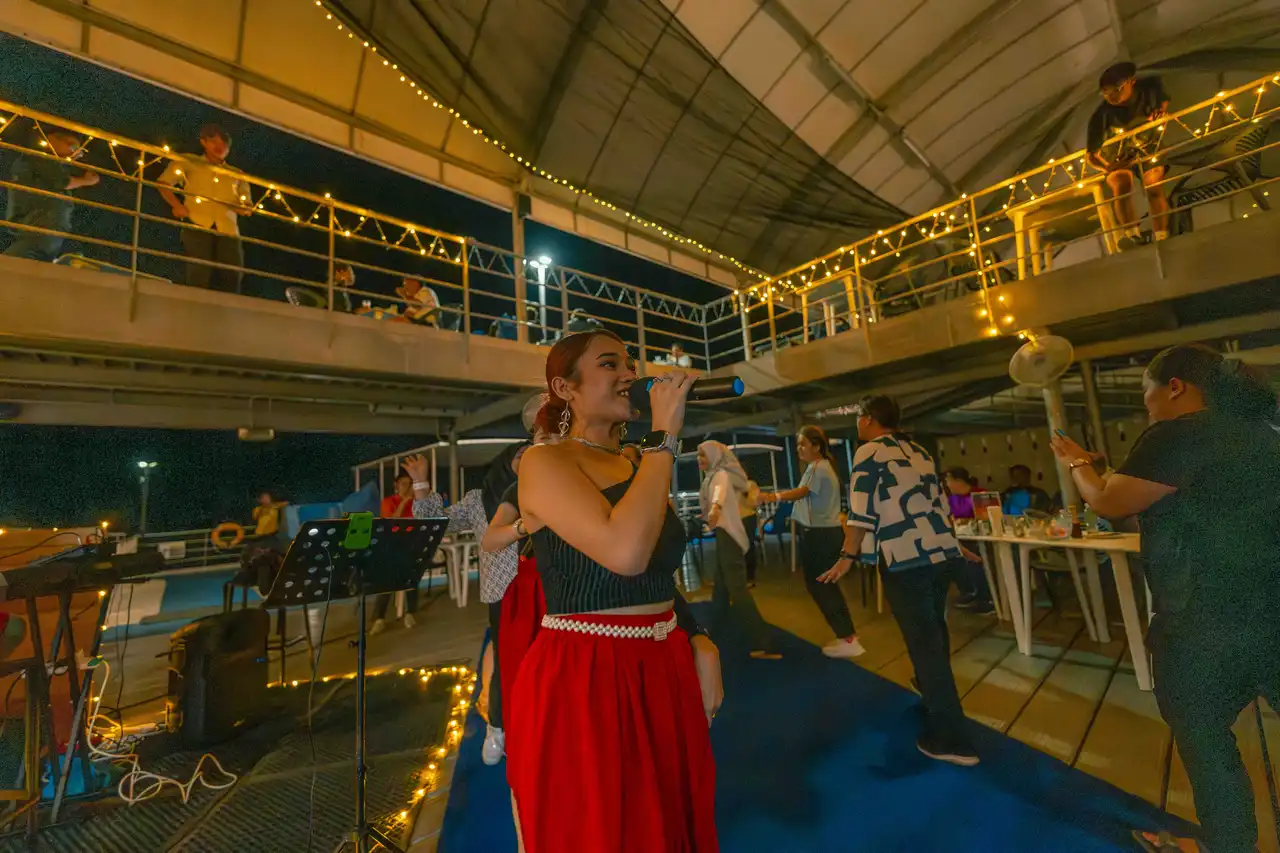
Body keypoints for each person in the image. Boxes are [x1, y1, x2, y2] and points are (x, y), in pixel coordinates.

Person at [1050, 344, 1280, 853]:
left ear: (1174, 386)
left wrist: (1078, 464)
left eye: (1147, 394)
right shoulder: (1267, 431)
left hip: (1203, 617)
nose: (1148, 406)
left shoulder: (1178, 435)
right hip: (1273, 607)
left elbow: (1109, 501)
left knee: (1206, 742)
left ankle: (1229, 846)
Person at [509, 330, 721, 853]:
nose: (631, 375)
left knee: (668, 815)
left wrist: (698, 637)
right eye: (611, 365)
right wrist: (666, 436)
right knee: (609, 827)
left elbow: (656, 568)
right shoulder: (545, 462)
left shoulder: (634, 460)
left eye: (631, 364)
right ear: (566, 387)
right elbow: (624, 553)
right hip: (587, 671)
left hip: (662, 660)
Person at [822, 395, 981, 767]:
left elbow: (861, 512)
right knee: (933, 634)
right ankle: (931, 693)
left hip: (905, 559)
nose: (857, 424)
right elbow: (937, 504)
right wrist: (954, 545)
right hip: (939, 555)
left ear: (869, 420)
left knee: (924, 643)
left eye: (859, 417)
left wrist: (847, 556)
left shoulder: (868, 454)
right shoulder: (918, 451)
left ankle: (951, 740)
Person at [759, 425, 864, 658]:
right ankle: (847, 636)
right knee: (822, 586)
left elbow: (802, 492)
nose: (799, 449)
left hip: (822, 535)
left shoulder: (819, 467)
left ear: (816, 447)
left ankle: (848, 638)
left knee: (822, 586)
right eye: (798, 444)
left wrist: (772, 496)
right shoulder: (818, 467)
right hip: (821, 534)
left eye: (803, 444)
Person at [699, 441, 779, 659]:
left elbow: (719, 494)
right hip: (727, 533)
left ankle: (764, 641)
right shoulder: (715, 474)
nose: (699, 459)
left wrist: (714, 510)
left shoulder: (720, 475)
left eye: (703, 455)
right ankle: (714, 630)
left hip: (730, 535)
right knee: (722, 587)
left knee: (736, 587)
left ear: (715, 457)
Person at [156, 123, 251, 293]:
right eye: (214, 142)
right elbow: (164, 183)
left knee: (233, 271)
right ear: (204, 142)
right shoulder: (190, 161)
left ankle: (228, 308)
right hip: (197, 220)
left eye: (224, 144)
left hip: (228, 227)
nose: (219, 147)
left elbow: (247, 206)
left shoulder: (237, 173)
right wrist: (177, 205)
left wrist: (242, 208)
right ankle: (196, 306)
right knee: (199, 270)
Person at [1087, 62, 1171, 251]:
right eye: (1106, 93)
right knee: (1122, 182)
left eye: (1115, 90)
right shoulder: (1102, 115)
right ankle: (1131, 235)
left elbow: (1163, 97)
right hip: (1117, 158)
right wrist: (1109, 167)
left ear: (1131, 82)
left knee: (1154, 185)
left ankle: (1162, 235)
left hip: (1149, 149)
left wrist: (1161, 110)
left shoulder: (1150, 88)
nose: (1111, 97)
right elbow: (1091, 155)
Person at [5, 129, 98, 261]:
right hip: (41, 225)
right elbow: (62, 182)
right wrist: (87, 181)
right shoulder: (40, 157)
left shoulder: (45, 162)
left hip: (39, 225)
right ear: (52, 139)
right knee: (22, 258)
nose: (76, 153)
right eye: (72, 146)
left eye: (79, 150)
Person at [371, 472, 419, 634]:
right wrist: (404, 502)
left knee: (412, 571)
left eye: (409, 484)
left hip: (410, 545)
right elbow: (391, 523)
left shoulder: (417, 503)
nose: (406, 487)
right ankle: (380, 618)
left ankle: (410, 612)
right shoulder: (388, 502)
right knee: (388, 577)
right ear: (396, 485)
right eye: (403, 484)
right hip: (391, 545)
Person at [944, 468, 994, 616]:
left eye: (948, 481)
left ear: (958, 481)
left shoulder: (980, 495)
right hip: (960, 538)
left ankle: (985, 599)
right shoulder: (951, 499)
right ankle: (970, 591)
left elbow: (988, 520)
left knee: (974, 557)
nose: (947, 484)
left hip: (982, 539)